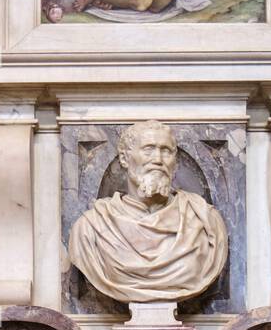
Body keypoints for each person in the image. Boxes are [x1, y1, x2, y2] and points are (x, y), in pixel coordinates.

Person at [67, 120, 228, 304]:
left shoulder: (206, 222)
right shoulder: (91, 227)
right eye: (148, 149)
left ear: (174, 163)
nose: (158, 160)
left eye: (166, 151)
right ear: (125, 158)